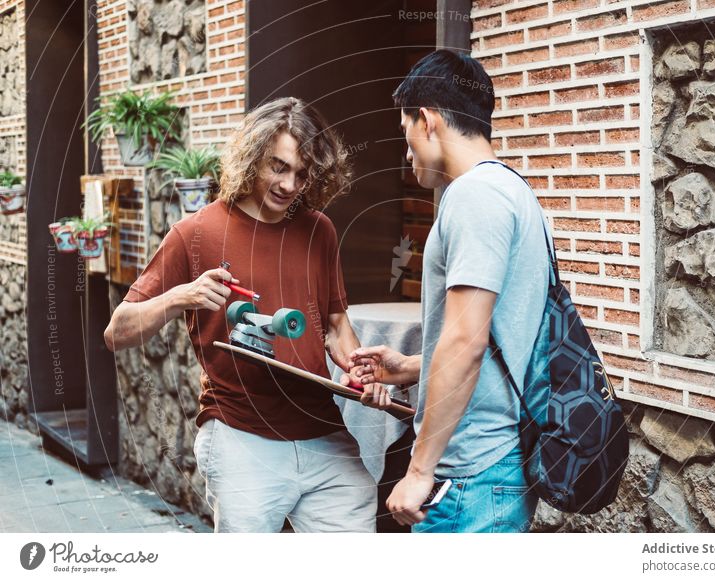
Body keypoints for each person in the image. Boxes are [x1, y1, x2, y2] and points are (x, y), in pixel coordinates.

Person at [104, 97, 392, 533]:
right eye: (278, 166)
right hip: (241, 435)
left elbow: (336, 327)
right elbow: (117, 331)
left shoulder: (319, 230)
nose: (289, 184)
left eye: (301, 172)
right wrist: (181, 296)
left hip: (322, 430)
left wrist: (360, 372)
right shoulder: (195, 233)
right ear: (253, 155)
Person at [347, 50, 552, 533]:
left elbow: (466, 343)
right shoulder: (515, 191)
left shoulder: (471, 197)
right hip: (500, 461)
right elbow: (499, 334)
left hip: (471, 472)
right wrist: (412, 368)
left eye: (406, 133)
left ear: (429, 120)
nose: (407, 151)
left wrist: (419, 472)